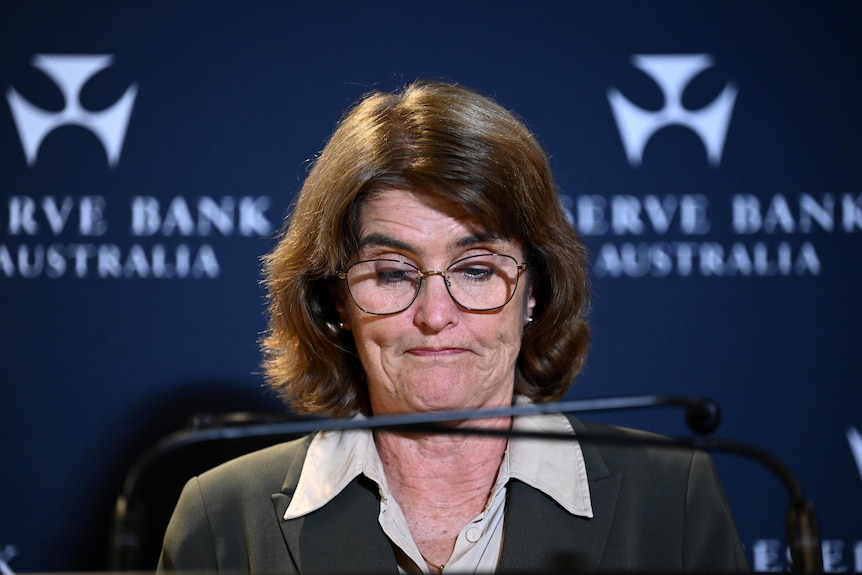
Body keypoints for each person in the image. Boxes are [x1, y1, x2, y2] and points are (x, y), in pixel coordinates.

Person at [158, 80, 748, 573]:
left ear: (535, 290)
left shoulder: (672, 500)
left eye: (476, 270)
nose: (436, 315)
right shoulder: (224, 521)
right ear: (336, 300)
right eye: (392, 273)